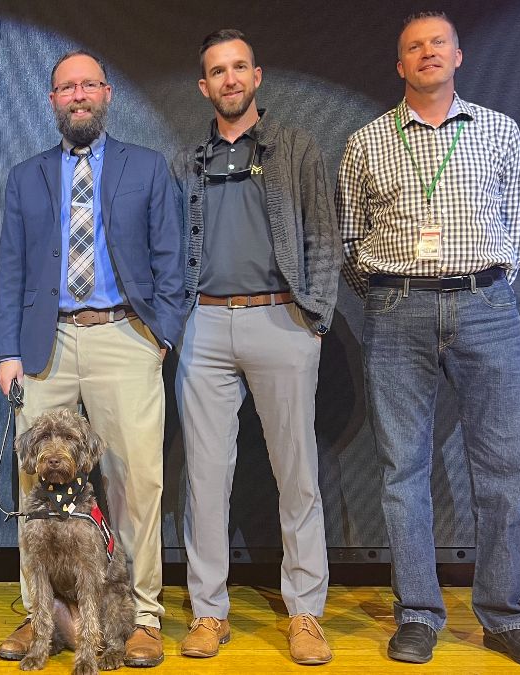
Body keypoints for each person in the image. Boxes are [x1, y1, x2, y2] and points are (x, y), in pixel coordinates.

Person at [337, 12, 520, 671]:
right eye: (414, 46)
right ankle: (416, 614)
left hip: (486, 305)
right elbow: (352, 243)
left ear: (458, 56)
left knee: (503, 467)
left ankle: (507, 617)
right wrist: (393, 290)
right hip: (396, 309)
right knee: (402, 471)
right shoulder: (365, 143)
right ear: (400, 66)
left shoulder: (499, 130)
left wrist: (481, 284)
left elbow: (518, 229)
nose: (427, 52)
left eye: (438, 42)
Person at [0, 49, 187, 668]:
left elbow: (171, 257)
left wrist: (163, 335)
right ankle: (39, 615)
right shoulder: (27, 176)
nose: (78, 95)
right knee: (35, 484)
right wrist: (6, 350)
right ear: (53, 100)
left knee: (137, 480)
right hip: (44, 342)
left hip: (123, 335)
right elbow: (12, 269)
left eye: (88, 85)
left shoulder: (148, 167)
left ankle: (141, 618)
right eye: (65, 87)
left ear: (106, 94)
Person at [171, 29, 339, 665]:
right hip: (206, 327)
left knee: (298, 476)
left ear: (257, 75)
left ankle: (304, 613)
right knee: (205, 480)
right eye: (218, 70)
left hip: (281, 322)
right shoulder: (188, 160)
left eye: (239, 67)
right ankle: (209, 613)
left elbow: (324, 234)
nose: (230, 79)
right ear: (204, 86)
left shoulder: (295, 148)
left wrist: (313, 317)